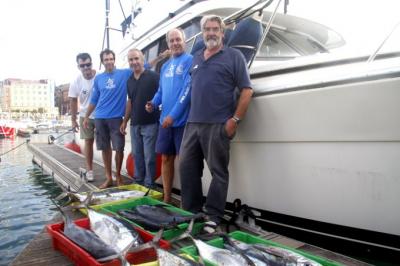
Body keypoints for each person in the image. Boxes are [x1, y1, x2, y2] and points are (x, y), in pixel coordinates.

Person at [179, 15, 254, 232]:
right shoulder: (195, 58)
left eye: (215, 29)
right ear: (203, 33)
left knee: (218, 172)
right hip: (192, 124)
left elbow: (247, 90)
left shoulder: (234, 56)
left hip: (218, 124)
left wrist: (235, 120)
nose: (211, 33)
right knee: (187, 169)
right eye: (207, 29)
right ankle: (193, 212)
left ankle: (213, 216)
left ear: (222, 32)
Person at [145, 28, 192, 203]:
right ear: (168, 44)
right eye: (171, 41)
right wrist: (153, 103)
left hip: (181, 121)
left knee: (184, 162)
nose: (175, 43)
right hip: (164, 121)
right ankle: (166, 197)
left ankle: (186, 200)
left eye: (178, 39)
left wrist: (173, 115)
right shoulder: (164, 66)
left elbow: (188, 91)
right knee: (165, 158)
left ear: (184, 40)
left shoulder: (190, 60)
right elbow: (161, 91)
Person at [83, 49, 132, 189]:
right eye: (106, 59)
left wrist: (159, 57)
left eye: (111, 59)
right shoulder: (99, 78)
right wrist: (87, 116)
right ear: (102, 61)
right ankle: (109, 178)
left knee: (119, 148)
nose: (109, 61)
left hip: (116, 118)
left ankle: (118, 177)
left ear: (114, 59)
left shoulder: (124, 73)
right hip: (100, 117)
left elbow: (142, 65)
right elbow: (94, 99)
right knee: (105, 148)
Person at [120, 49, 160, 188]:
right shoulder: (129, 80)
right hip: (134, 124)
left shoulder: (154, 76)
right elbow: (130, 101)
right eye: (131, 60)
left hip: (150, 123)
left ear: (142, 59)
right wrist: (125, 121)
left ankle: (149, 185)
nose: (134, 62)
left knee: (149, 157)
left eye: (136, 58)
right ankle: (139, 183)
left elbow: (162, 96)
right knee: (137, 156)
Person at [68, 53, 96, 181]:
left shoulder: (100, 75)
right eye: (82, 65)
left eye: (88, 64)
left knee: (106, 143)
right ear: (78, 66)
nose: (86, 67)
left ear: (92, 63)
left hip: (102, 115)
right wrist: (73, 121)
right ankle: (89, 170)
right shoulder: (76, 81)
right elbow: (73, 101)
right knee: (88, 142)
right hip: (85, 115)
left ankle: (108, 172)